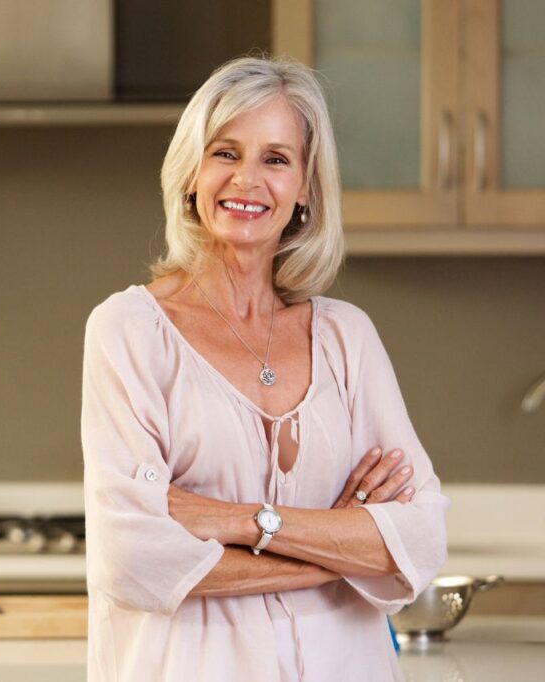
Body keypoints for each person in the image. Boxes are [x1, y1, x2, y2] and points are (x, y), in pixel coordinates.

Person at [80, 56, 448, 682]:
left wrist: (235, 521)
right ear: (192, 174)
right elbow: (131, 559)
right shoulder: (130, 332)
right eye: (226, 152)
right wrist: (344, 549)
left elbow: (421, 538)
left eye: (276, 159)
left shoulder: (346, 337)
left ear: (305, 187)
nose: (247, 180)